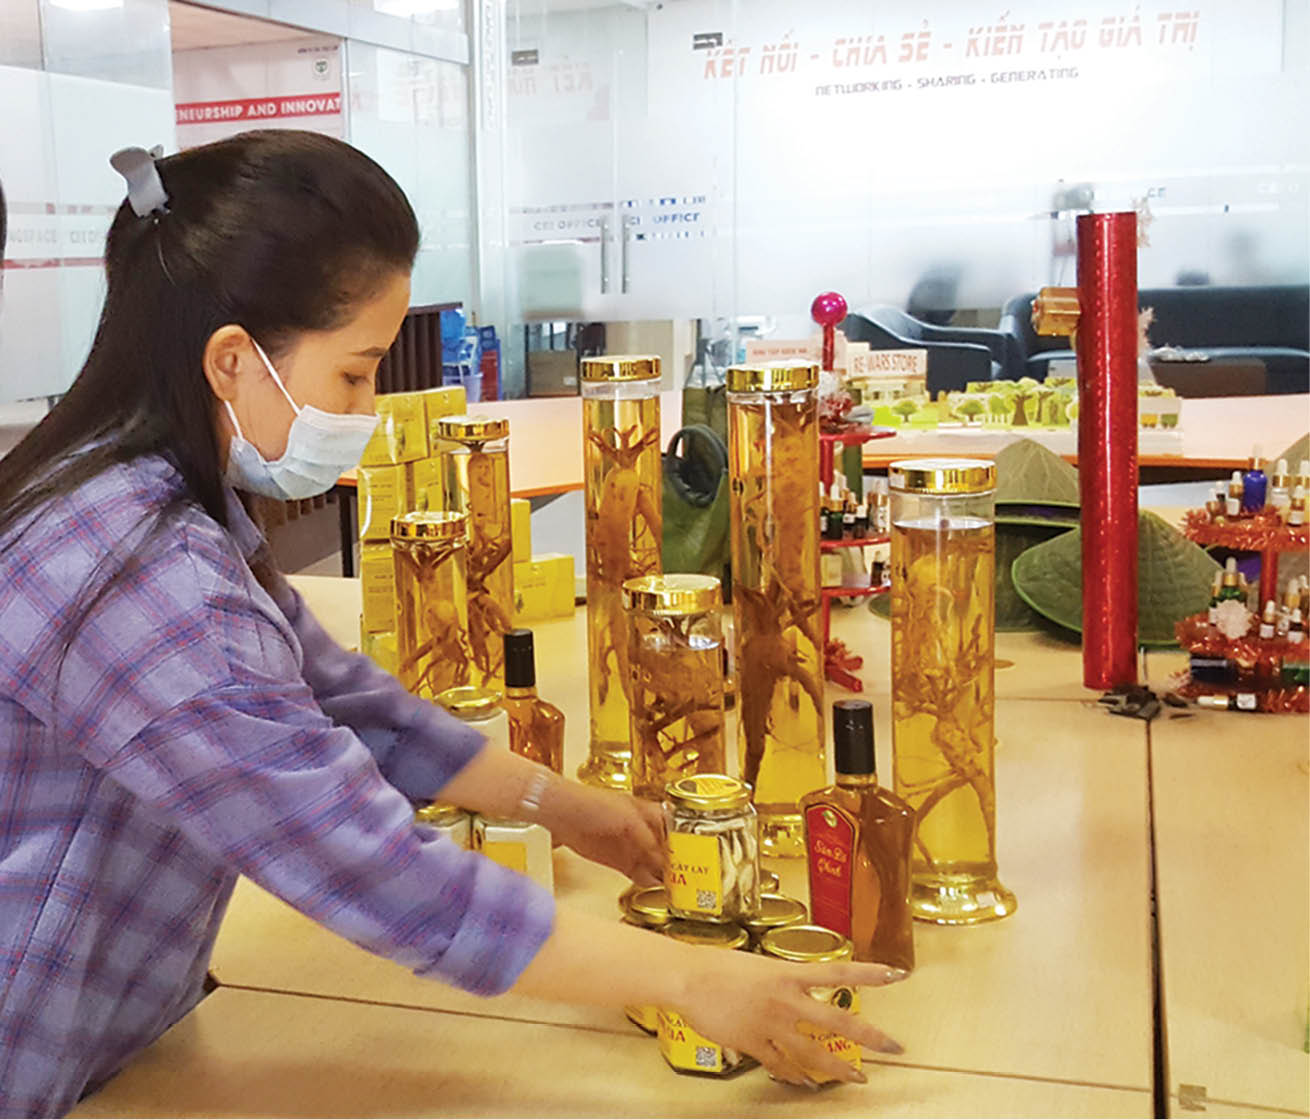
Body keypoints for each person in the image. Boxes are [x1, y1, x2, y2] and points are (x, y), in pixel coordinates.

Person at [0, 131, 902, 1116]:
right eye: (354, 374)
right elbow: (366, 862)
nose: (367, 408)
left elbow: (345, 702)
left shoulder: (151, 499)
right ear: (231, 361)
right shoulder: (137, 573)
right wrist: (690, 978)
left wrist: (561, 805)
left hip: (123, 1023)